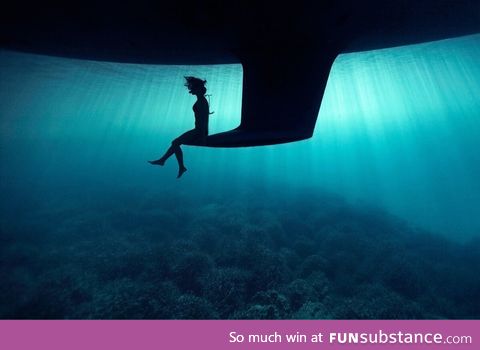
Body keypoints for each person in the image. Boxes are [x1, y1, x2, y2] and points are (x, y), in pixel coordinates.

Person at [149, 76, 210, 178]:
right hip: (199, 130)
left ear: (196, 88)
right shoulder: (201, 100)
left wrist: (203, 137)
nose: (189, 88)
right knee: (176, 143)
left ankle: (166, 162)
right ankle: (175, 165)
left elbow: (204, 120)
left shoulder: (201, 101)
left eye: (191, 87)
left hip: (199, 131)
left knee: (175, 142)